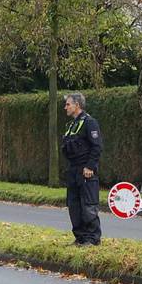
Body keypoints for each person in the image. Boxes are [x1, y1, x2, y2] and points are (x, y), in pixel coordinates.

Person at [61, 92, 103, 246]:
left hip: (86, 170)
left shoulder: (90, 122)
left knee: (88, 205)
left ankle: (92, 239)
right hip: (73, 170)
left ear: (77, 105)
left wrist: (90, 166)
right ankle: (80, 237)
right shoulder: (72, 125)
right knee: (74, 205)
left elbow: (97, 146)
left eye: (68, 104)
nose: (65, 107)